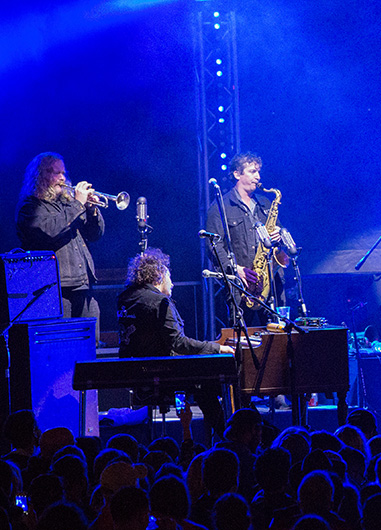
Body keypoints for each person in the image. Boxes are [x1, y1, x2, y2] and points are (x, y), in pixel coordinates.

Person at [117, 248, 233, 440]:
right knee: (213, 380)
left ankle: (221, 435)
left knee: (206, 379)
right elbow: (178, 343)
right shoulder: (159, 301)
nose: (173, 283)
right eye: (170, 276)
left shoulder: (125, 298)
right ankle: (226, 436)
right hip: (163, 372)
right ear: (160, 275)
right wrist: (216, 347)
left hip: (135, 371)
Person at [15, 152, 104, 323]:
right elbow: (49, 231)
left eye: (63, 173)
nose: (62, 178)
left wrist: (92, 210)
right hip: (54, 289)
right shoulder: (30, 207)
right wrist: (78, 204)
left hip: (83, 285)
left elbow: (94, 235)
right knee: (61, 343)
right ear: (41, 175)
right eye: (57, 173)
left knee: (90, 342)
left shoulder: (67, 204)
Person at [205, 151, 288, 322]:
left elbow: (279, 231)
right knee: (241, 338)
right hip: (241, 284)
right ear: (237, 174)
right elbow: (213, 245)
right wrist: (236, 269)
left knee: (279, 335)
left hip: (270, 281)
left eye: (258, 172)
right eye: (252, 171)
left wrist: (279, 235)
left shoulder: (265, 203)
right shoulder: (220, 206)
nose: (257, 177)